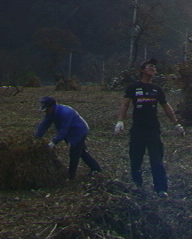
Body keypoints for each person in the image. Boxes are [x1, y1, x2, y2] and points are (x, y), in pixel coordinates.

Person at [115, 58, 184, 197]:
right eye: (150, 66)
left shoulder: (157, 89)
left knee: (157, 160)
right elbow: (125, 104)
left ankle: (161, 189)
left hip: (153, 130)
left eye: (154, 67)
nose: (153, 68)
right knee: (136, 160)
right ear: (142, 70)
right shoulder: (133, 87)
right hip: (137, 130)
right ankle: (137, 185)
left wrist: (176, 123)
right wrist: (120, 121)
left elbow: (166, 107)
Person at [35, 96, 102, 180]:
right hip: (70, 132)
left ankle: (70, 177)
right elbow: (44, 125)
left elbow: (63, 130)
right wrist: (36, 137)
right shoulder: (50, 112)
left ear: (52, 106)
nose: (46, 111)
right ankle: (96, 168)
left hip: (79, 131)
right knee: (81, 152)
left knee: (74, 154)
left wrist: (54, 142)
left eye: (47, 109)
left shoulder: (65, 113)